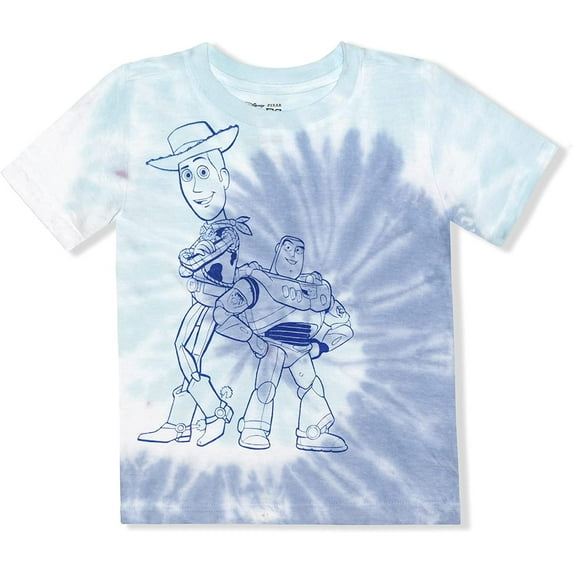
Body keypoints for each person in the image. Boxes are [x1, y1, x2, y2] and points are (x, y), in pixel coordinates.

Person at [138, 121, 259, 446]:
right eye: (187, 176)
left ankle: (215, 412)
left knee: (186, 350)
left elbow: (199, 257)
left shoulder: (226, 231)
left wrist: (189, 260)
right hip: (202, 300)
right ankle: (180, 423)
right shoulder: (212, 230)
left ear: (223, 177)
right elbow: (194, 256)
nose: (195, 187)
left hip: (212, 302)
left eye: (203, 172)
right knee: (187, 351)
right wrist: (189, 260)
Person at [214, 236, 354, 452]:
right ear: (278, 249)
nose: (293, 254)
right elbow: (221, 313)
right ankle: (254, 428)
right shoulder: (255, 283)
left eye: (299, 250)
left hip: (302, 350)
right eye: (288, 248)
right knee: (266, 385)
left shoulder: (315, 290)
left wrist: (320, 346)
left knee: (311, 387)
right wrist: (251, 339)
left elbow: (343, 326)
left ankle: (312, 432)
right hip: (271, 345)